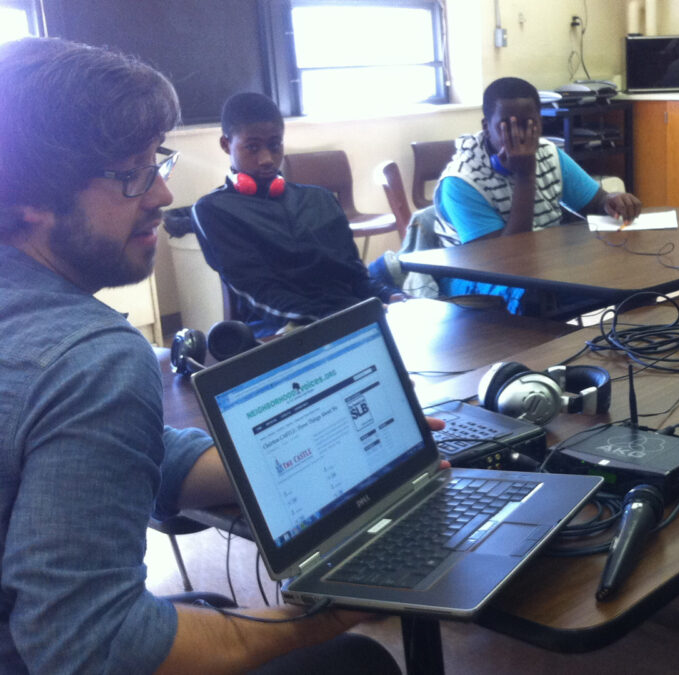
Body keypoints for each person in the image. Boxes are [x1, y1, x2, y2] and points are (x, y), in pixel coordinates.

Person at [0, 38, 402, 674]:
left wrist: (333, 453)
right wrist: (324, 613)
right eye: (130, 173)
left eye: (155, 162)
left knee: (206, 607)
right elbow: (93, 650)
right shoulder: (90, 358)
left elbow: (99, 456)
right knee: (354, 661)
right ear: (31, 195)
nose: (161, 194)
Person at [192, 92, 405, 339]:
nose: (266, 159)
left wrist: (390, 297)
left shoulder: (320, 200)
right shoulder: (214, 210)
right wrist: (339, 319)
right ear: (226, 144)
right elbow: (260, 293)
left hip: (350, 315)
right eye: (252, 147)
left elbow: (355, 277)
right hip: (280, 327)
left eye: (275, 145)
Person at [427, 76, 643, 314]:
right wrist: (525, 175)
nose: (520, 135)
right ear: (486, 127)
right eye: (507, 126)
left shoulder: (549, 153)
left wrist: (612, 200)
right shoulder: (461, 182)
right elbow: (505, 260)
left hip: (542, 262)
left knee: (633, 278)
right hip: (473, 277)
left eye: (529, 124)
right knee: (532, 295)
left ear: (540, 123)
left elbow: (595, 203)